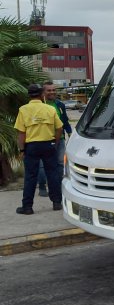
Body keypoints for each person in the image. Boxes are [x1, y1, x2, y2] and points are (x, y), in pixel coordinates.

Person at [14, 83, 63, 215]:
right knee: (52, 174)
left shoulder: (23, 110)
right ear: (42, 95)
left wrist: (22, 150)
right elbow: (59, 128)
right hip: (48, 144)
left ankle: (27, 207)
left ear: (29, 95)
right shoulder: (50, 109)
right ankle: (57, 203)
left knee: (30, 176)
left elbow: (21, 133)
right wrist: (55, 142)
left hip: (32, 147)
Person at [36, 82, 73, 196]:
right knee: (42, 165)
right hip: (44, 140)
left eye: (53, 90)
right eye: (49, 90)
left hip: (60, 139)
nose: (52, 92)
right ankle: (42, 187)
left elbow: (65, 121)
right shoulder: (39, 105)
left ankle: (57, 186)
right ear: (43, 92)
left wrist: (70, 133)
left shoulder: (60, 104)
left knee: (60, 163)